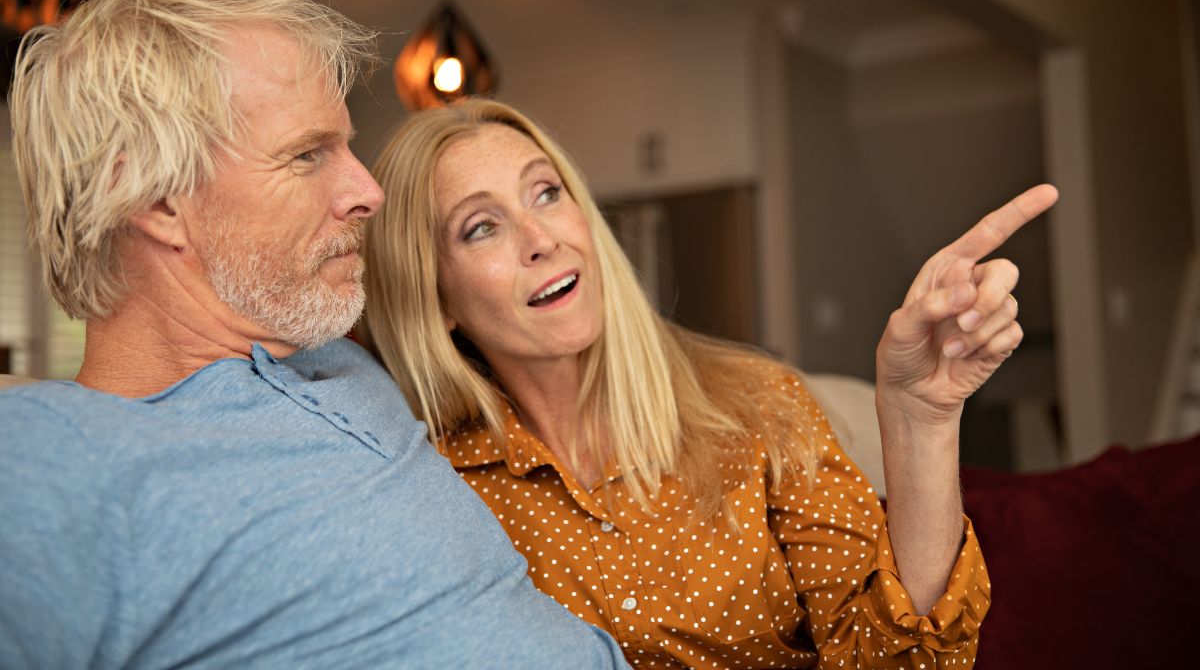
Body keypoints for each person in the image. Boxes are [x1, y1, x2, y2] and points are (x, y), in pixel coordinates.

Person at [0, 0, 628, 669]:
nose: (368, 190)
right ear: (158, 202)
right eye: (306, 156)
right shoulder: (60, 460)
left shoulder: (331, 354)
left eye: (347, 147)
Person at [362, 98, 1058, 669]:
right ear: (438, 298)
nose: (540, 236)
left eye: (546, 192)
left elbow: (902, 663)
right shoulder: (433, 484)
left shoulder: (757, 404)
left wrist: (920, 418)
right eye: (481, 228)